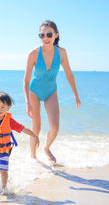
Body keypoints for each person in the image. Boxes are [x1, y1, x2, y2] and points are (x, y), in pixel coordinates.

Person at [23, 20, 81, 164]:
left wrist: (76, 95)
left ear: (56, 35)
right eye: (42, 35)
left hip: (51, 92)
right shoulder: (33, 54)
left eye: (49, 34)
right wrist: (27, 102)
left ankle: (47, 148)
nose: (46, 38)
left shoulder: (61, 53)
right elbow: (26, 80)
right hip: (34, 92)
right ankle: (33, 158)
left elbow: (69, 73)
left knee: (55, 127)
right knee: (36, 127)